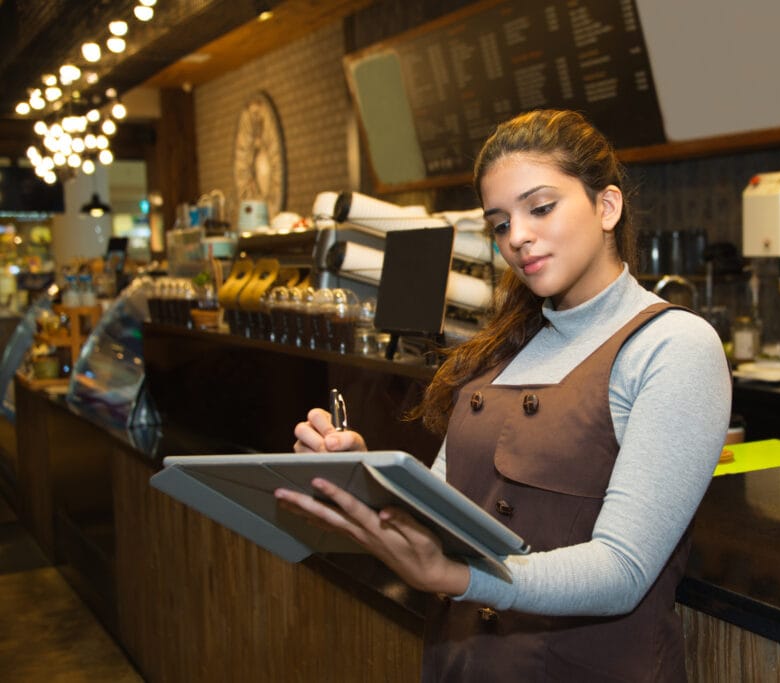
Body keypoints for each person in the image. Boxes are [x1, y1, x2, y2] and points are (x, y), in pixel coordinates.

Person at [279, 109, 731, 681]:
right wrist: (365, 479)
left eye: (540, 207)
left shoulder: (673, 346)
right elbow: (444, 516)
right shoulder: (498, 348)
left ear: (607, 206)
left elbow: (622, 570)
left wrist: (460, 578)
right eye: (499, 223)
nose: (517, 237)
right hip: (462, 663)